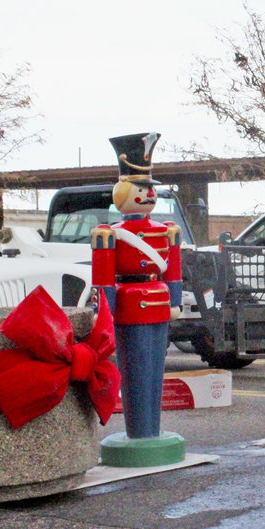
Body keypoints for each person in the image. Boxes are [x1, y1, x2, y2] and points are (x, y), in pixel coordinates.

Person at [91, 132, 182, 441]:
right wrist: (105, 309)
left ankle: (151, 431)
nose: (146, 196)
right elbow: (104, 277)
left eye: (149, 190)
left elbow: (173, 269)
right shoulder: (109, 234)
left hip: (158, 302)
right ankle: (141, 433)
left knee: (156, 370)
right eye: (140, 189)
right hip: (130, 305)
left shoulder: (166, 230)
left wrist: (176, 300)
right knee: (137, 372)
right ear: (123, 192)